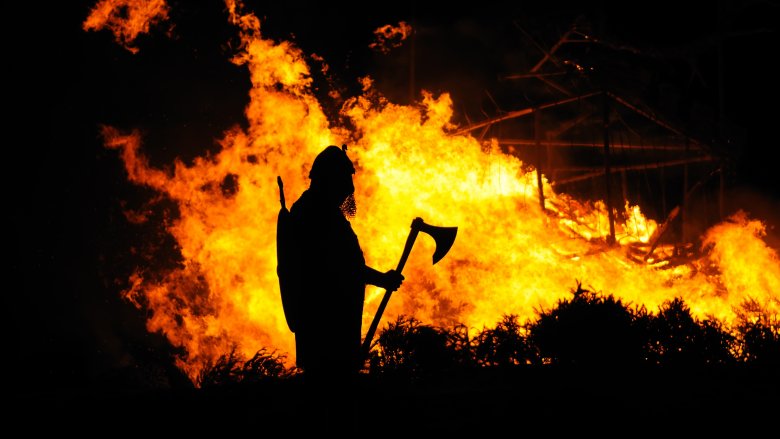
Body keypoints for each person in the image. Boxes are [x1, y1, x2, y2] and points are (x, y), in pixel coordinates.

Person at [286, 144, 404, 430]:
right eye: (344, 181)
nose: (348, 189)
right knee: (331, 398)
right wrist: (383, 280)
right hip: (325, 324)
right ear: (330, 179)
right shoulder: (316, 214)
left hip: (332, 324)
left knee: (328, 394)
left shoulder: (317, 210)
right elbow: (340, 267)